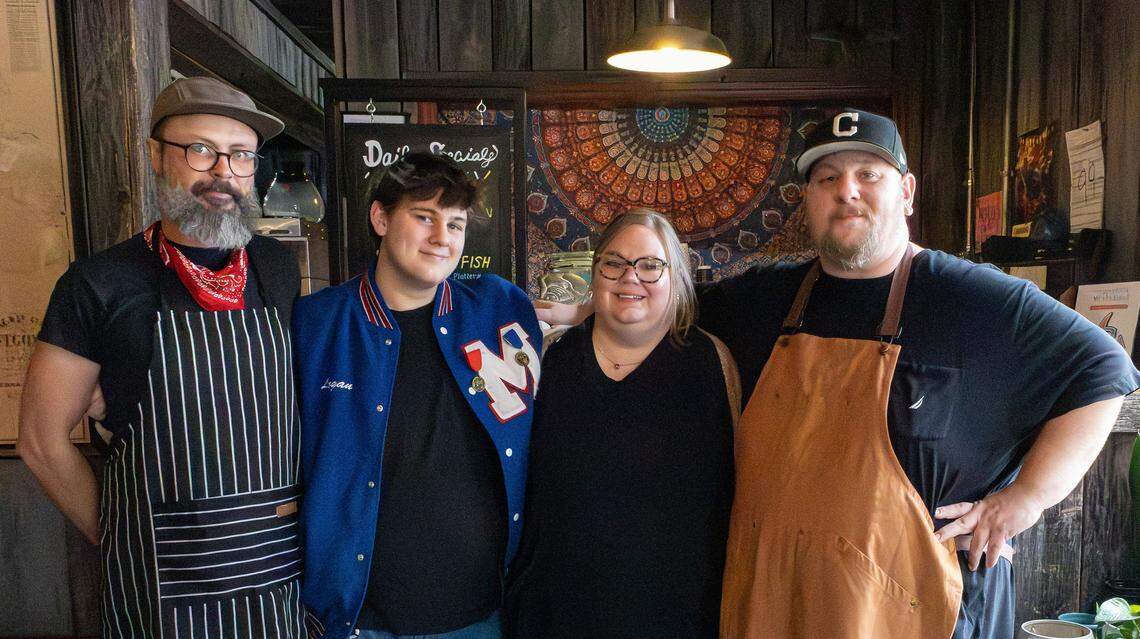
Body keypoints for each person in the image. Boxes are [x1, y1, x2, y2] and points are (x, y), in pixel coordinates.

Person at [538, 109, 1140, 639]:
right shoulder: (764, 298)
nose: (846, 191)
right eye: (827, 178)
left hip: (913, 612)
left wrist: (1025, 499)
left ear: (905, 191)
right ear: (807, 201)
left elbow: (1106, 368)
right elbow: (668, 298)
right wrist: (581, 309)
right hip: (775, 607)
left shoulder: (973, 298)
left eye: (867, 174)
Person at [19, 76, 304, 637]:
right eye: (200, 149)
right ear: (156, 155)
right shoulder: (98, 283)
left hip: (274, 572)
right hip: (160, 584)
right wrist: (121, 534)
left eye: (241, 155)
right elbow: (39, 440)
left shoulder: (276, 268)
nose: (222, 172)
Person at [293, 152, 542, 639]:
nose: (441, 239)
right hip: (360, 620)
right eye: (424, 217)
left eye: (455, 224)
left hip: (484, 614)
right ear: (380, 218)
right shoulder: (315, 323)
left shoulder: (499, 307)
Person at [506, 210, 739, 638]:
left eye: (651, 265)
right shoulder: (551, 359)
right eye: (614, 263)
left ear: (676, 277)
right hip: (556, 615)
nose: (631, 277)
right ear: (596, 275)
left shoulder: (712, 364)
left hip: (678, 617)